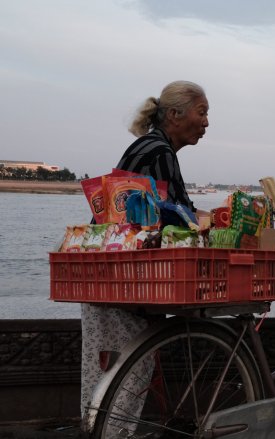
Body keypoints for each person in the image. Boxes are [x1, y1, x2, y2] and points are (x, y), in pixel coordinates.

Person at [80, 80, 210, 419]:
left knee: (105, 376)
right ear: (175, 114)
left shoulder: (151, 146)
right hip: (121, 279)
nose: (206, 122)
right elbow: (180, 221)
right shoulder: (159, 151)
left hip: (105, 272)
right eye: (201, 112)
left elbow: (170, 210)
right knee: (125, 380)